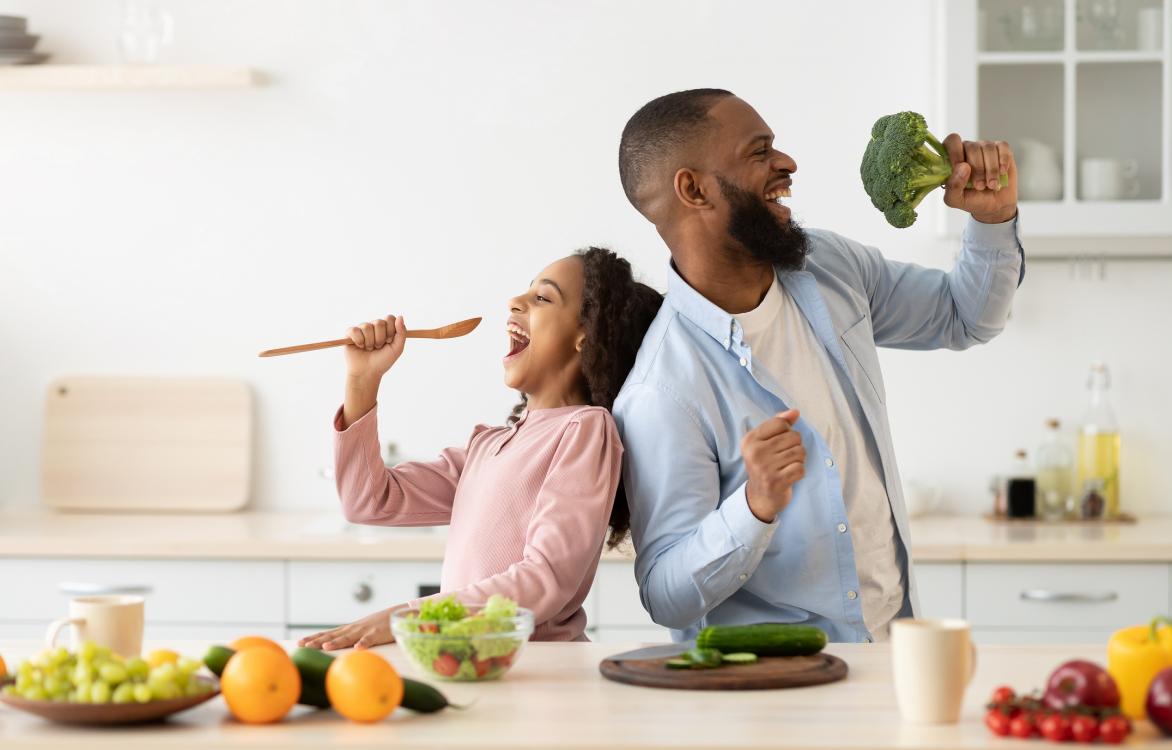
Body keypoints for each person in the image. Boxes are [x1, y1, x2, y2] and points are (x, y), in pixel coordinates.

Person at [613, 89, 1023, 642]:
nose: (787, 164)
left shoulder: (826, 266)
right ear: (694, 189)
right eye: (760, 152)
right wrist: (754, 506)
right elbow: (665, 596)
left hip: (890, 650)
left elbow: (964, 316)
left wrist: (993, 221)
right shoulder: (663, 390)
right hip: (777, 695)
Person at [299, 247, 662, 648]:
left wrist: (413, 618)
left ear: (586, 334)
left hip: (541, 675)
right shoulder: (486, 446)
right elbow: (367, 501)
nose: (514, 302)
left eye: (543, 298)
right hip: (477, 665)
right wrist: (361, 382)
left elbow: (547, 580)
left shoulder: (585, 430)